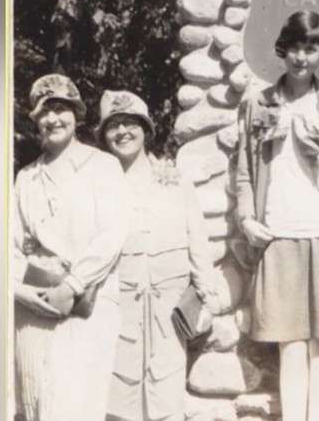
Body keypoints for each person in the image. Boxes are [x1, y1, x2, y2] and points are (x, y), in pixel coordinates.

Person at [233, 11, 319, 421]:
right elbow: (243, 173)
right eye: (294, 47)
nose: (301, 58)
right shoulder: (260, 103)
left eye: (310, 48)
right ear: (283, 50)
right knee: (290, 341)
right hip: (280, 232)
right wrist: (247, 220)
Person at [95, 89, 222, 421]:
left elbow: (196, 236)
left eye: (131, 123)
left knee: (166, 393)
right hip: (119, 306)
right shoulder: (98, 185)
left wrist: (206, 291)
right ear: (104, 135)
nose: (123, 132)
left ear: (146, 130)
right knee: (118, 396)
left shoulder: (173, 178)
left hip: (168, 309)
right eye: (114, 125)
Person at [11, 73, 130, 421]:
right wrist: (18, 291)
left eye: (61, 108)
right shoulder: (26, 178)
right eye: (44, 111)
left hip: (85, 306)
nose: (53, 118)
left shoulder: (103, 167)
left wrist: (71, 286)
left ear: (77, 115)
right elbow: (11, 243)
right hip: (33, 308)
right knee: (36, 406)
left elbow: (112, 234)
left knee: (77, 406)